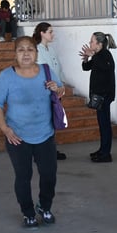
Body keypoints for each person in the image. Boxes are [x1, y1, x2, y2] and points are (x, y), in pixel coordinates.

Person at [0, 36, 64, 228]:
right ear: (15, 53)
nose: (25, 53)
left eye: (30, 49)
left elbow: (61, 90)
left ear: (36, 53)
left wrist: (58, 89)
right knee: (23, 177)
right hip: (17, 137)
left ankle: (44, 207)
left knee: (49, 175)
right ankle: (28, 213)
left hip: (45, 134)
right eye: (21, 49)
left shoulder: (46, 71)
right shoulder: (7, 76)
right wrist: (4, 128)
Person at [79, 32, 117, 163]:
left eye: (91, 41)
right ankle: (102, 150)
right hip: (99, 96)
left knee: (105, 125)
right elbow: (86, 67)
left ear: (99, 44)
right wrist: (85, 58)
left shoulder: (105, 55)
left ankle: (106, 154)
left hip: (105, 96)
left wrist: (93, 55)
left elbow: (105, 67)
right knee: (102, 125)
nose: (90, 44)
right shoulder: (97, 56)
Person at [33, 22, 67, 160]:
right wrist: (54, 86)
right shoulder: (37, 50)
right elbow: (42, 73)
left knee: (53, 120)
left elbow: (58, 68)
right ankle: (41, 151)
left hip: (56, 90)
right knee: (43, 121)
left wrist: (62, 85)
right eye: (50, 32)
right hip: (45, 91)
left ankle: (51, 149)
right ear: (42, 33)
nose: (52, 34)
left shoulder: (50, 49)